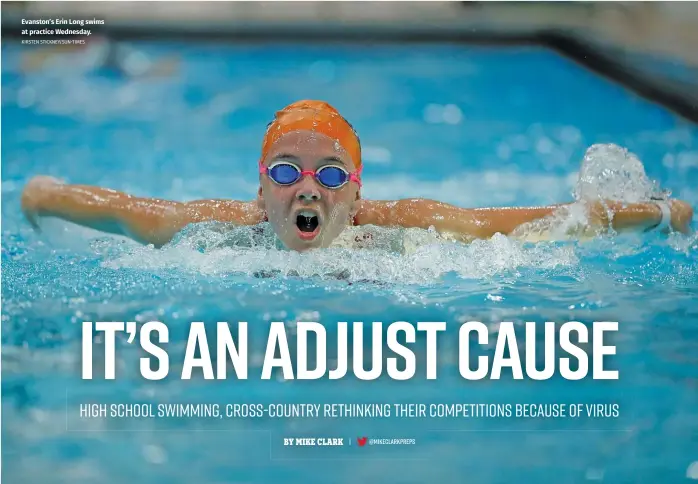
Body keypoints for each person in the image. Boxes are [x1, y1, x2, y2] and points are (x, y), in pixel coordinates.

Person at [21, 100, 693, 252]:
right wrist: (44, 196)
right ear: (261, 190)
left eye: (330, 174)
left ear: (358, 192)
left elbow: (523, 226)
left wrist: (654, 212)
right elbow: (125, 209)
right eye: (286, 171)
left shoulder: (400, 226)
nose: (307, 188)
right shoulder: (222, 227)